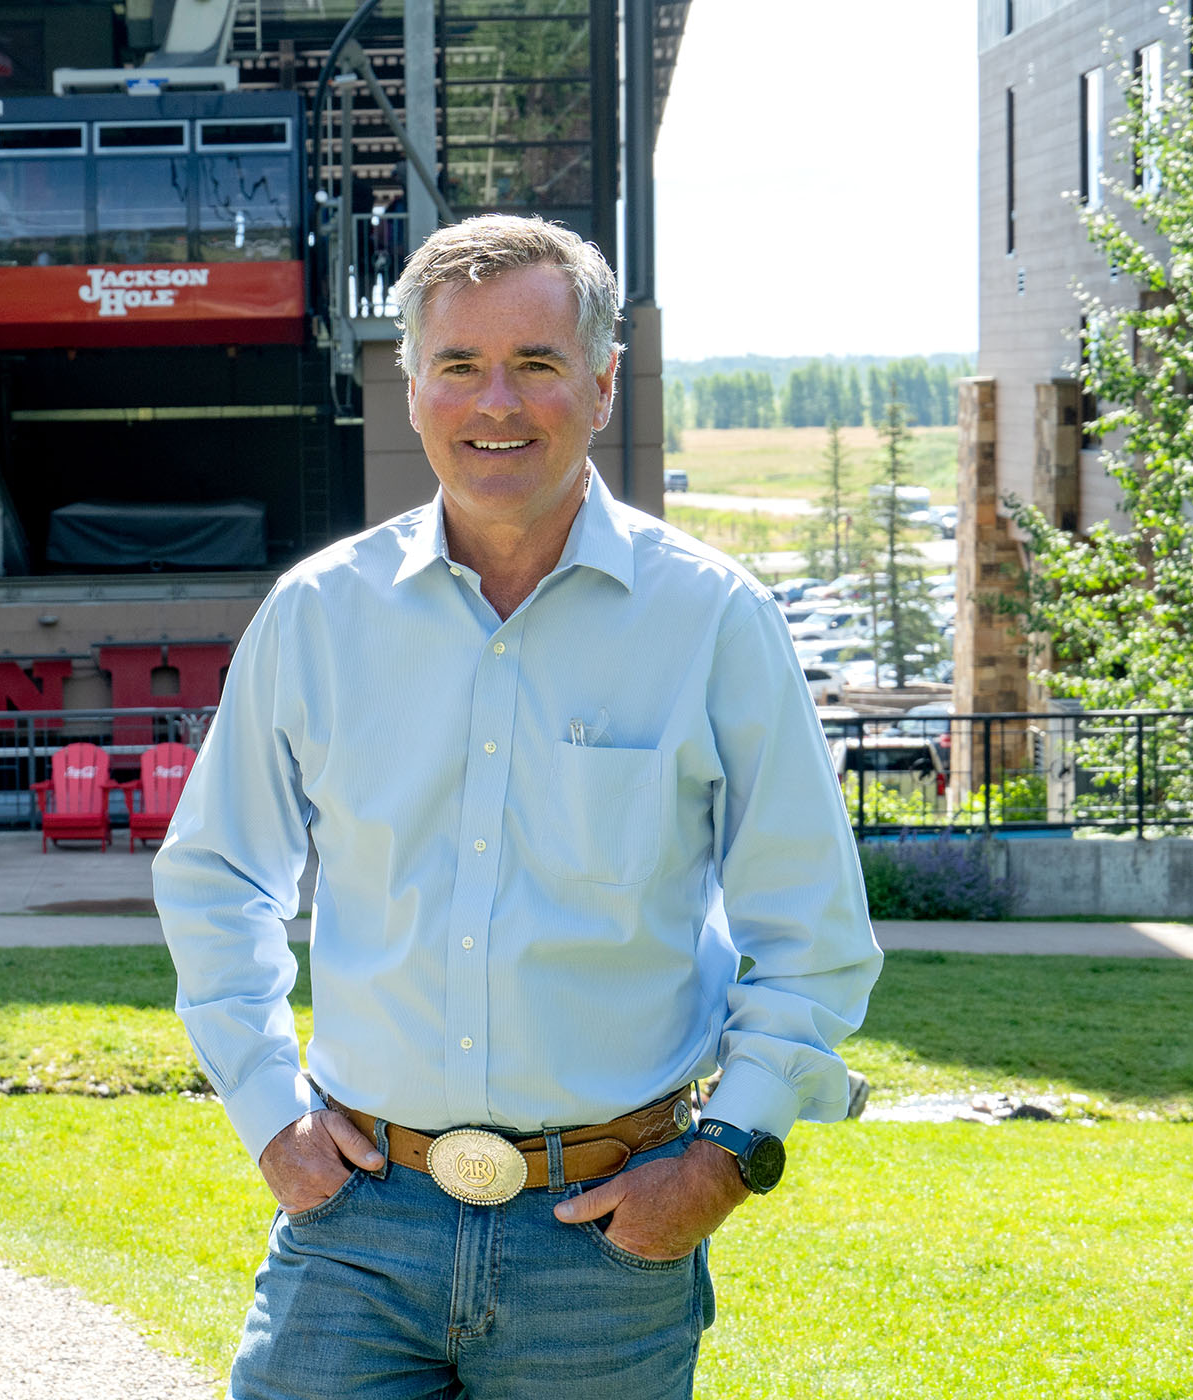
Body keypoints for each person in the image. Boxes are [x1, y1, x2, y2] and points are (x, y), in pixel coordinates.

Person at [154, 215, 882, 1399]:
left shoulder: (711, 620)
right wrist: (265, 1105)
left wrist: (721, 1160)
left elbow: (813, 934)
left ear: (601, 385)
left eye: (537, 364)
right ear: (411, 388)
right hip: (355, 1228)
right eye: (459, 365)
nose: (496, 401)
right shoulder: (316, 615)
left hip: (607, 1243)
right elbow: (215, 875)